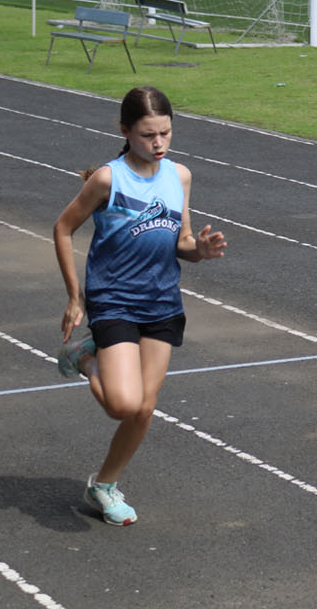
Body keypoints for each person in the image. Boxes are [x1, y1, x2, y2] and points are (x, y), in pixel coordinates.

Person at [53, 86, 227, 526]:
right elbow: (62, 229)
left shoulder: (179, 176)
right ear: (125, 132)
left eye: (166, 133)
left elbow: (182, 241)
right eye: (149, 135)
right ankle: (85, 356)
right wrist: (76, 296)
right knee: (122, 405)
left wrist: (199, 251)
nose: (160, 144)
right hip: (113, 300)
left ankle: (104, 486)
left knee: (145, 409)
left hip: (162, 301)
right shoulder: (108, 180)